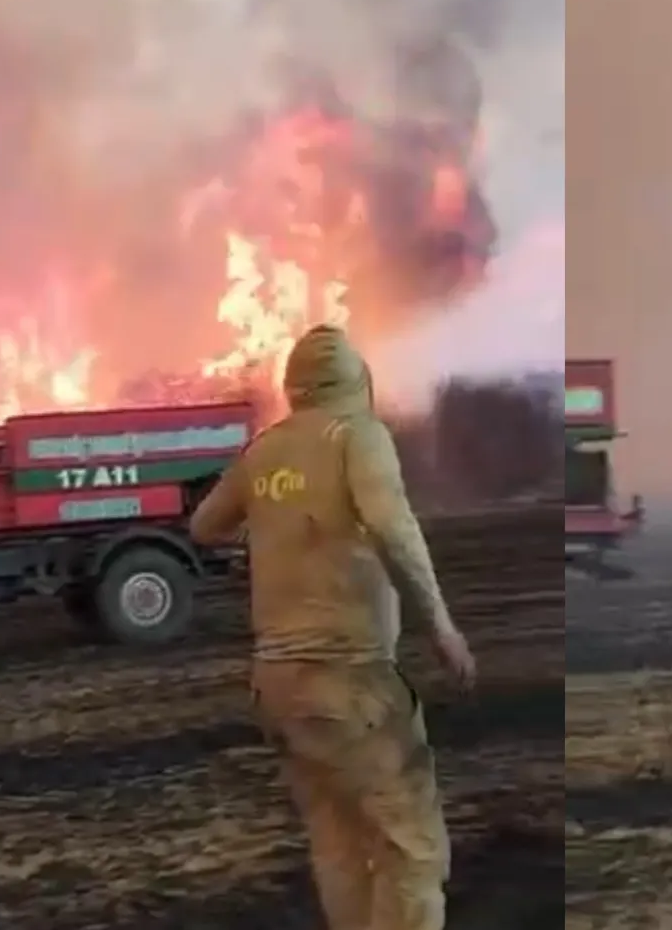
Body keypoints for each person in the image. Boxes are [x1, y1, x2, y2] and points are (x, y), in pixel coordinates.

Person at [189, 324, 476, 930]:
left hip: (281, 686)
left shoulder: (264, 450)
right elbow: (395, 530)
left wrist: (277, 520)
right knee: (410, 847)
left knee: (337, 843)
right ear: (354, 380)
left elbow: (203, 527)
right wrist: (442, 628)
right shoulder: (357, 437)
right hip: (349, 677)